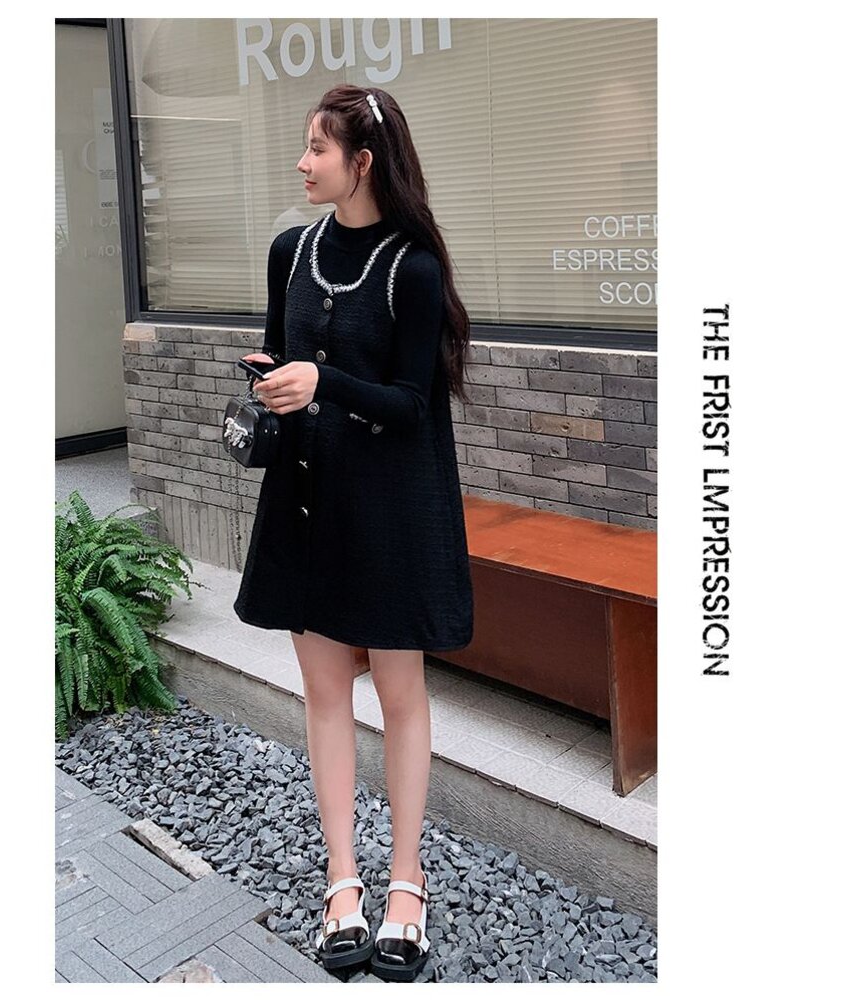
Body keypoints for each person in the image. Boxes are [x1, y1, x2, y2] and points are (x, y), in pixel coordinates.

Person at [232, 84, 475, 982]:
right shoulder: (291, 252)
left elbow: (412, 405)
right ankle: (344, 882)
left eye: (317, 149)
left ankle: (407, 882)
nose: (302, 163)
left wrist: (321, 382)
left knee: (401, 695)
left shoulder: (415, 268)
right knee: (325, 693)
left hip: (389, 513)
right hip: (308, 502)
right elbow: (280, 349)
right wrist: (271, 380)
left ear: (361, 163)